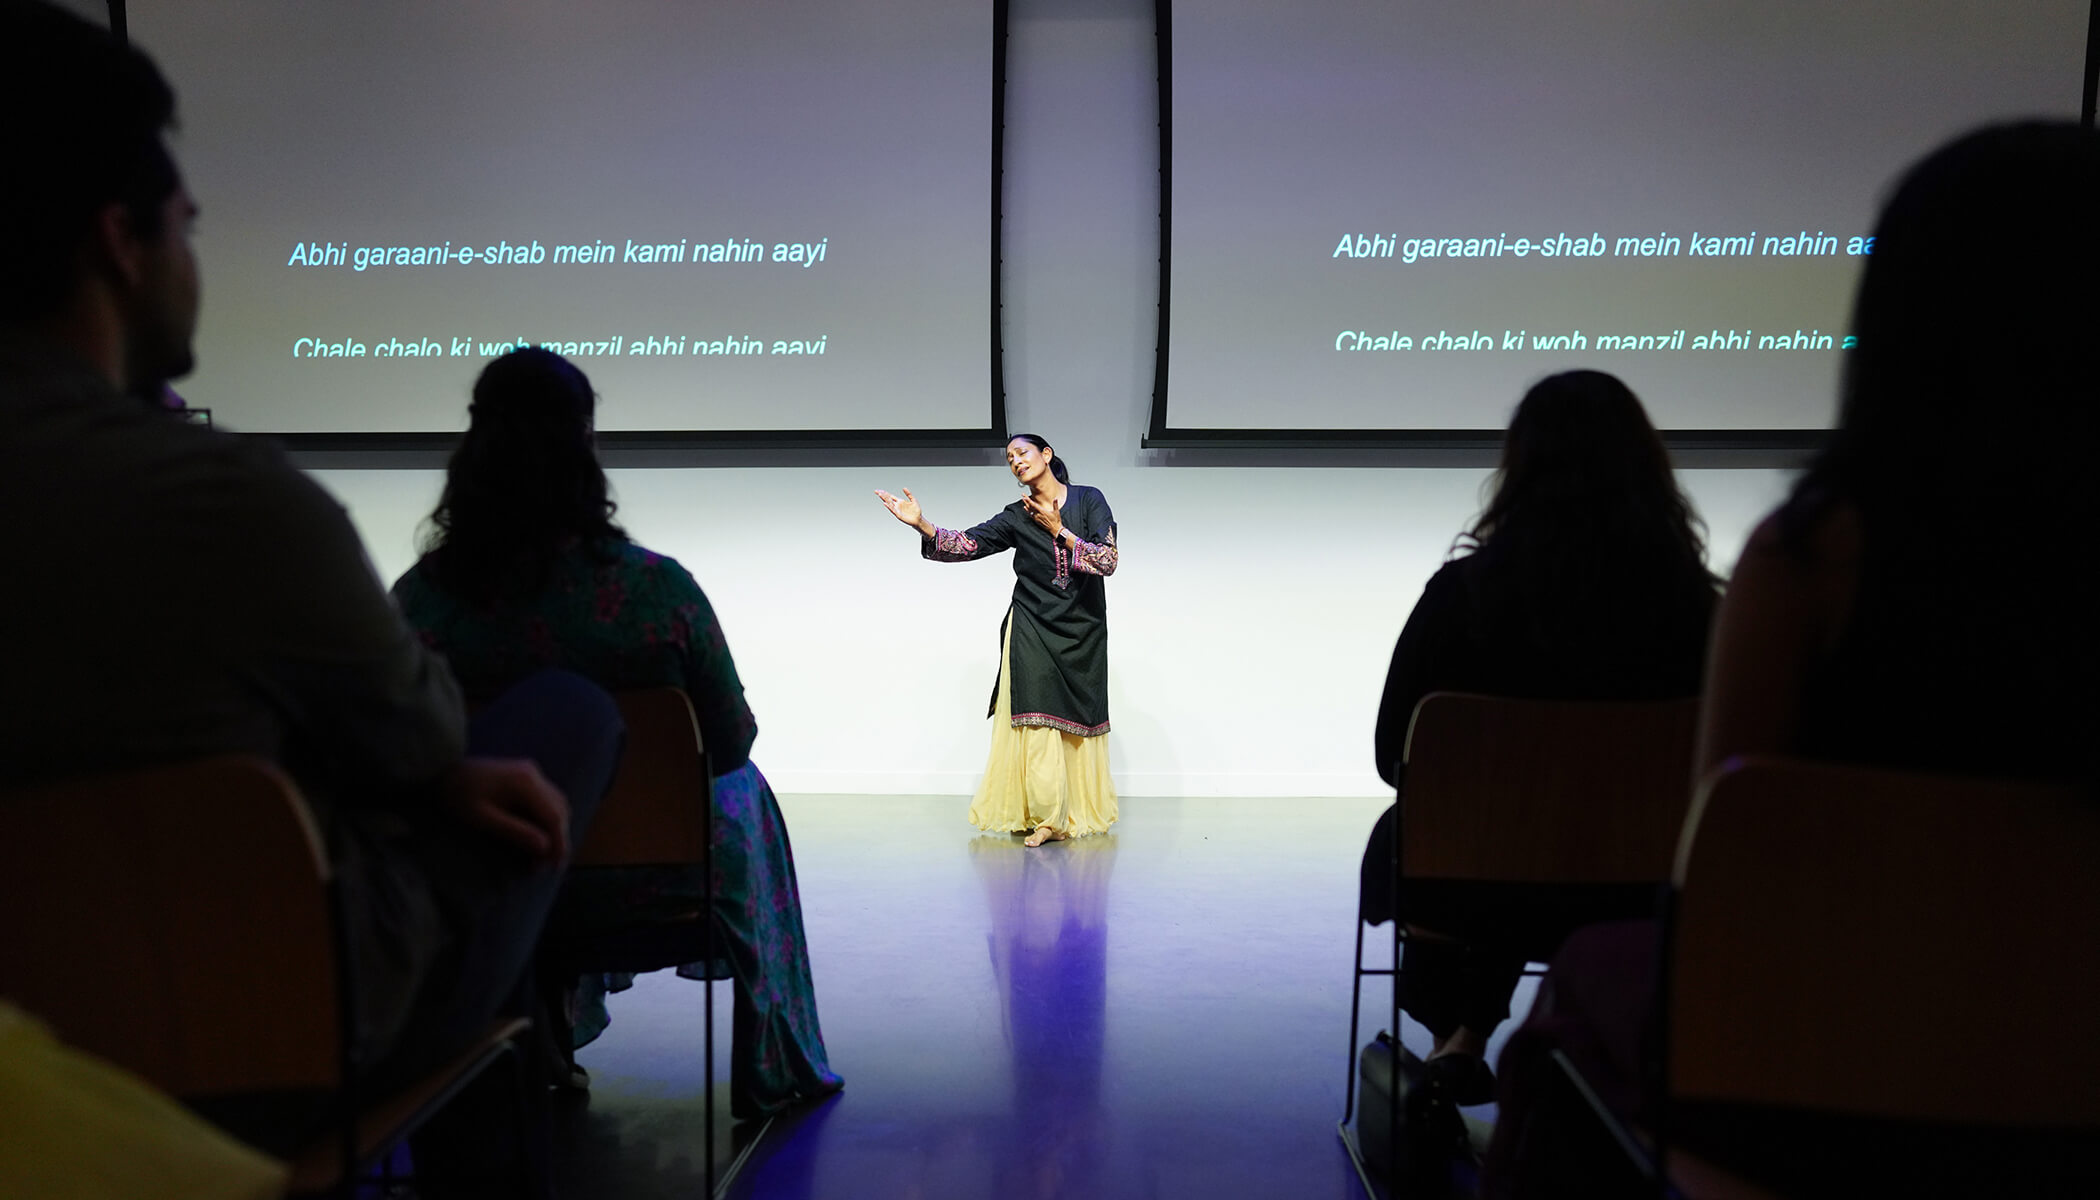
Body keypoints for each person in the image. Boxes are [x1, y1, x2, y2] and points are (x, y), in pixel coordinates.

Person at [0, 4, 621, 1188]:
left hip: (29, 1028)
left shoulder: (404, 573)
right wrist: (433, 768)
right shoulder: (229, 506)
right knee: (568, 719)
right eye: (189, 226)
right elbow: (420, 734)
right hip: (266, 1043)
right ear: (117, 242)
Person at [1483, 122, 2100, 1198]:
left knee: (1590, 984)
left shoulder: (1814, 558)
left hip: (1806, 1092)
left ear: (1905, 318)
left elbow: (1712, 879)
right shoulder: (1744, 574)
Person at [391, 347, 842, 1119]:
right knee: (747, 794)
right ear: (584, 449)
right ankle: (776, 1057)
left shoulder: (423, 600)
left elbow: (401, 750)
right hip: (660, 880)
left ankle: (536, 1041)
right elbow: (730, 742)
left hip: (492, 877)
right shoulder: (655, 590)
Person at [1359, 370, 1717, 1104]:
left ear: (1518, 470)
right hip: (1645, 887)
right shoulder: (1701, 611)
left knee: (1466, 832)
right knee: (1556, 833)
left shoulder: (1461, 599)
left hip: (1476, 888)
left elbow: (1396, 755)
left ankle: (1459, 1038)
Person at [876, 435, 1120, 845]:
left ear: (1046, 455)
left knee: (1076, 728)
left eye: (1022, 453)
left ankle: (1071, 811)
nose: (1015, 462)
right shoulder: (1016, 516)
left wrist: (1060, 531)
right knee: (1036, 721)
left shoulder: (1089, 500)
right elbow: (968, 544)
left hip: (1084, 631)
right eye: (1009, 459)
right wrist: (922, 523)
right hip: (1032, 627)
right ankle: (1046, 818)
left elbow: (1107, 561)